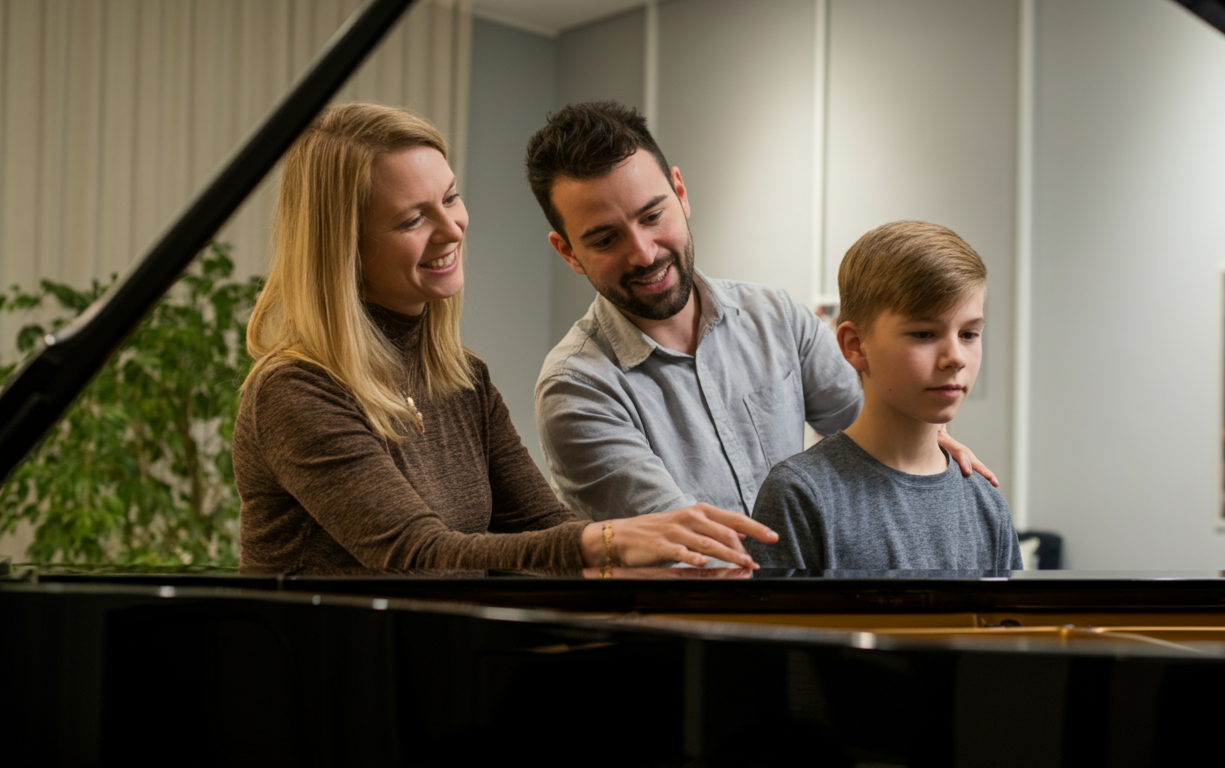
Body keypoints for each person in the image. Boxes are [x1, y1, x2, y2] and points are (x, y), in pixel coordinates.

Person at [234, 102, 776, 575]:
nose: (452, 230)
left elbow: (541, 527)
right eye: (412, 220)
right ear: (343, 248)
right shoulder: (296, 392)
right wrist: (608, 541)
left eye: (450, 198)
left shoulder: (464, 380)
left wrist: (626, 570)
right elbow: (415, 551)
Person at [526, 101, 997, 522]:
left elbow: (877, 437)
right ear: (567, 251)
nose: (645, 253)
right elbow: (693, 553)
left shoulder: (777, 318)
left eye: (652, 216)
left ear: (680, 192)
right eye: (606, 239)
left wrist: (923, 444)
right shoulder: (576, 388)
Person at [746, 221, 1022, 570]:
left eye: (969, 334)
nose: (956, 357)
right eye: (924, 334)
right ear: (855, 346)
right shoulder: (800, 495)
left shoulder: (987, 506)